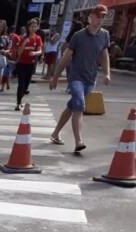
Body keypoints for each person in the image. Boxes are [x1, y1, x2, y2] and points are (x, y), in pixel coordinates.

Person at [49, 4, 111, 154]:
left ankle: (55, 133)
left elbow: (104, 55)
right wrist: (55, 77)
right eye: (99, 16)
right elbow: (66, 58)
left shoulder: (104, 35)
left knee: (72, 106)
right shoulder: (79, 36)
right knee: (79, 106)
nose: (101, 19)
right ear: (92, 17)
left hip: (91, 80)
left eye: (103, 16)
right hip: (76, 78)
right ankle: (79, 141)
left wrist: (107, 73)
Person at [13, 18, 43, 110]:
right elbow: (19, 52)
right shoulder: (23, 38)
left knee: (26, 85)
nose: (33, 28)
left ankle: (20, 99)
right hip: (21, 63)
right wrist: (24, 44)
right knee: (21, 84)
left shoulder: (38, 38)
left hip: (31, 64)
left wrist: (35, 53)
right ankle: (18, 103)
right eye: (31, 26)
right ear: (28, 27)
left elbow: (40, 50)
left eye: (35, 26)